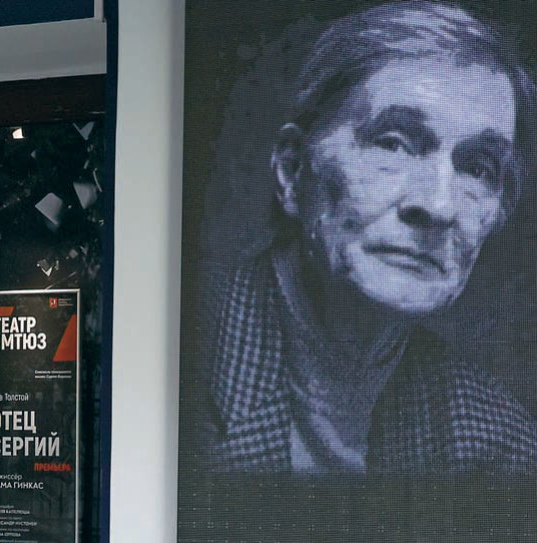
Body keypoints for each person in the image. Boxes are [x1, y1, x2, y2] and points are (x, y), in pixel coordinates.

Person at [201, 1, 537, 473]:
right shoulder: (181, 358)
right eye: (393, 143)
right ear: (293, 171)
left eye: (478, 169)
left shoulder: (501, 444)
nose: (438, 206)